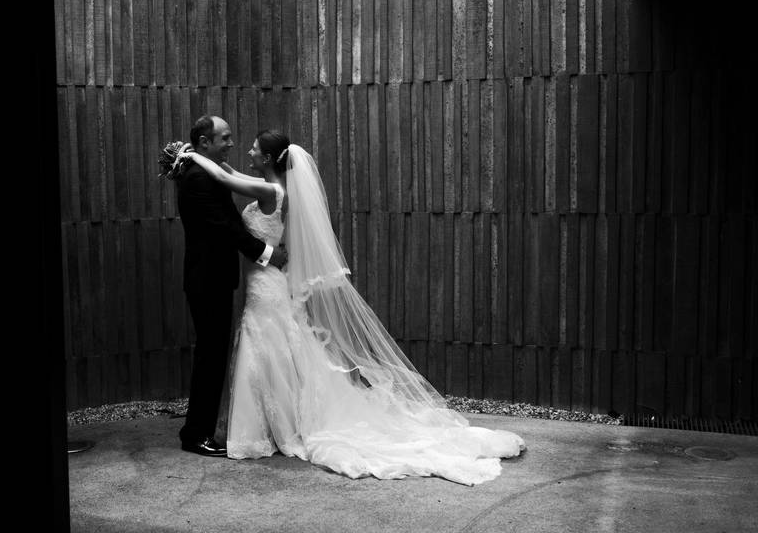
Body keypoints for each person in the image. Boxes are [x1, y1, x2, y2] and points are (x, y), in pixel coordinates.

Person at [179, 130, 526, 485]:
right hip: (266, 281)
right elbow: (230, 173)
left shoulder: (271, 191)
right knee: (277, 349)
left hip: (266, 284)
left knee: (268, 347)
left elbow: (224, 177)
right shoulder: (274, 185)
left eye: (254, 147)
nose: (246, 149)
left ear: (268, 159)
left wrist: (189, 155)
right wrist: (200, 157)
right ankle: (276, 419)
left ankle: (272, 425)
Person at [176, 115, 287, 457]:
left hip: (215, 279)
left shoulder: (205, 171)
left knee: (214, 354)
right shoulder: (198, 178)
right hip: (208, 280)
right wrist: (269, 253)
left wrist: (191, 154)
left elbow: (226, 175)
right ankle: (196, 434)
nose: (232, 144)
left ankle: (204, 427)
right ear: (205, 141)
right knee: (210, 355)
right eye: (224, 137)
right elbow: (227, 227)